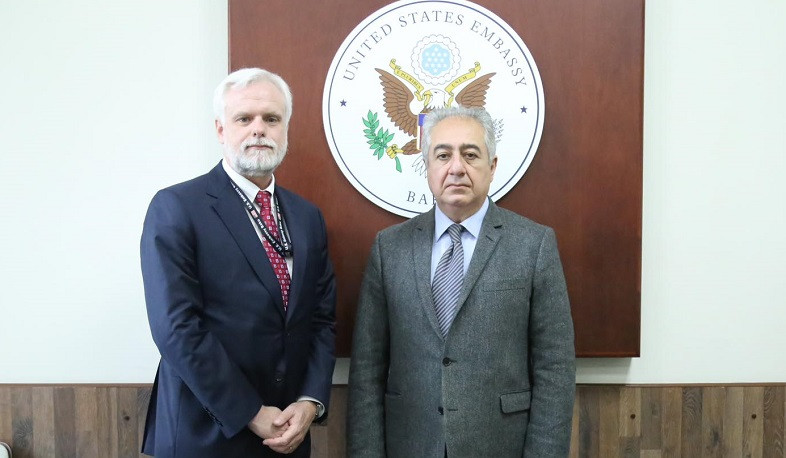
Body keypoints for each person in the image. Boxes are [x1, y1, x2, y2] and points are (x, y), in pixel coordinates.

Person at [347, 106, 575, 457]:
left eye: (470, 155)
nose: (456, 167)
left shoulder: (534, 244)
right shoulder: (389, 248)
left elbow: (555, 367)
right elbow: (367, 370)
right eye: (443, 155)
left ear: (492, 166)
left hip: (500, 445)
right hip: (411, 445)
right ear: (427, 165)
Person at [140, 68, 336, 457]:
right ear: (220, 129)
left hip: (289, 434)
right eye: (244, 119)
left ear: (286, 129)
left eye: (271, 119)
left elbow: (321, 319)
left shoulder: (307, 217)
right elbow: (176, 327)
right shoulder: (177, 207)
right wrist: (250, 412)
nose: (258, 129)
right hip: (205, 434)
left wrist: (309, 402)